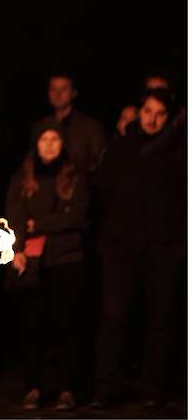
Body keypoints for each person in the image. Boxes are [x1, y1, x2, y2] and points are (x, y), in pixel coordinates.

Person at [92, 89, 185, 408]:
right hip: (121, 246)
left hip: (163, 247)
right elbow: (103, 190)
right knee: (114, 316)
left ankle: (152, 390)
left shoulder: (178, 151)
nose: (152, 118)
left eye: (160, 113)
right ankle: (105, 388)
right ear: (138, 111)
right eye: (148, 110)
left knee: (159, 320)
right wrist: (108, 238)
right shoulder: (121, 146)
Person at [5, 123, 89, 411]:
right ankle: (34, 386)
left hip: (66, 260)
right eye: (44, 139)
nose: (50, 144)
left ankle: (67, 387)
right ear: (36, 143)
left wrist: (39, 224)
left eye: (55, 139)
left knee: (66, 326)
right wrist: (16, 248)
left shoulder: (75, 176)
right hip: (34, 259)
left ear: (62, 144)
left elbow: (77, 216)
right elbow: (15, 214)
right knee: (33, 325)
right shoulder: (24, 176)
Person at [30, 73, 106, 174]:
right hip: (45, 186)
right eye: (53, 89)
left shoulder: (90, 127)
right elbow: (31, 160)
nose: (58, 94)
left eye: (63, 89)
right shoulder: (40, 126)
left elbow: (100, 162)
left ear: (73, 93)